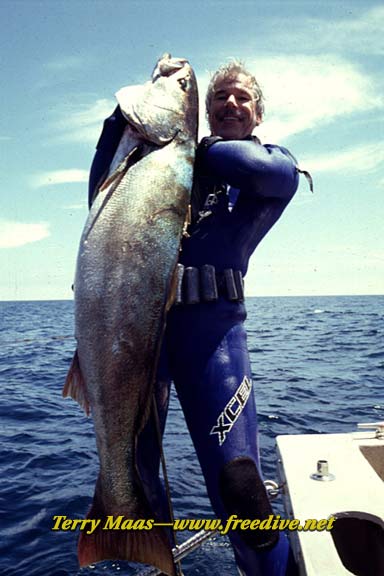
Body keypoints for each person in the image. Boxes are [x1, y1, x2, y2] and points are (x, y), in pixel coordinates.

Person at [88, 60, 303, 576]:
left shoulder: (267, 164)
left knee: (243, 489)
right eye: (219, 98)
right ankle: (156, 561)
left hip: (214, 342)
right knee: (135, 475)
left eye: (241, 98)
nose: (230, 103)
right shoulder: (162, 164)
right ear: (204, 112)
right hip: (139, 339)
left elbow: (271, 174)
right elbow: (101, 190)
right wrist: (123, 122)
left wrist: (196, 148)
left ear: (258, 112)